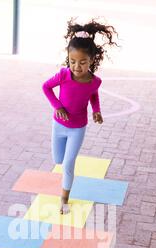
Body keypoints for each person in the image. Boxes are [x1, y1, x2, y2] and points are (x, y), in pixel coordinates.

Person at [42, 17, 118, 214]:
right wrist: (57, 105)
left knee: (68, 164)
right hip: (58, 125)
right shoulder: (64, 75)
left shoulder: (95, 81)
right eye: (72, 61)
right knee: (58, 160)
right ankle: (64, 178)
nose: (77, 66)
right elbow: (46, 87)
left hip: (78, 128)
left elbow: (93, 95)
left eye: (82, 62)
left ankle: (64, 199)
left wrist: (97, 110)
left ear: (92, 60)